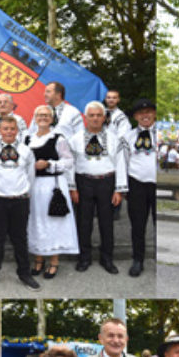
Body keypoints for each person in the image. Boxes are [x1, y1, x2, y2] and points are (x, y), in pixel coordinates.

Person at [0, 115, 39, 291]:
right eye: (5, 128)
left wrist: (23, 191)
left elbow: (30, 175)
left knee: (20, 238)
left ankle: (24, 273)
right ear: (0, 130)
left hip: (20, 199)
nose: (9, 132)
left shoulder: (26, 151)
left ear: (17, 130)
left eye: (12, 129)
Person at [68, 101, 127, 275]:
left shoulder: (114, 139)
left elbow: (121, 163)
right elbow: (70, 165)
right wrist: (72, 188)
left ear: (104, 117)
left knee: (106, 223)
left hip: (106, 183)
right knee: (84, 222)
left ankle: (107, 258)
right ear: (85, 118)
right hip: (83, 182)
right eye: (91, 115)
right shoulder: (75, 139)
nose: (95, 118)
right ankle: (84, 257)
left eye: (98, 115)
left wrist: (119, 189)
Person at [25, 105, 78, 280]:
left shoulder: (58, 138)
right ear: (34, 117)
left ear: (52, 118)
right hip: (33, 185)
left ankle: (54, 261)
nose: (43, 118)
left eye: (47, 115)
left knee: (53, 221)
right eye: (40, 115)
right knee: (36, 220)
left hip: (52, 185)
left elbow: (69, 161)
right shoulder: (26, 138)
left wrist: (49, 164)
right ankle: (38, 259)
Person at [125, 99, 158, 277]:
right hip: (136, 183)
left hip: (157, 184)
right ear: (136, 116)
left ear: (154, 113)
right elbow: (124, 162)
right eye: (140, 113)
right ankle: (138, 260)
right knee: (137, 225)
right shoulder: (129, 137)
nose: (145, 115)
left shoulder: (164, 133)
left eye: (148, 111)